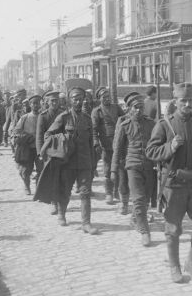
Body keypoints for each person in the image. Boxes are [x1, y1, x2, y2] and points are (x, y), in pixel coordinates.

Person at [146, 82, 192, 284]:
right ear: (175, 101)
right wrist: (170, 147)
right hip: (174, 185)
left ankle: (191, 263)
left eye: (190, 100)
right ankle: (174, 266)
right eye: (183, 100)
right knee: (173, 229)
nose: (187, 104)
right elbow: (150, 152)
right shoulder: (164, 125)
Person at [44, 87, 99, 235]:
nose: (78, 101)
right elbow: (48, 135)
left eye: (81, 98)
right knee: (65, 190)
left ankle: (86, 223)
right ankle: (62, 213)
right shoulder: (63, 117)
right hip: (68, 162)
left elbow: (91, 143)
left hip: (85, 162)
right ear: (70, 100)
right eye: (75, 98)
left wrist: (93, 165)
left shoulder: (88, 119)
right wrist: (63, 139)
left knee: (85, 193)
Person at [112, 93, 157, 247]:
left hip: (149, 165)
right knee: (137, 198)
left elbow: (157, 144)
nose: (138, 110)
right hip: (132, 166)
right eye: (135, 108)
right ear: (129, 109)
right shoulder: (125, 125)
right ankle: (145, 231)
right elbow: (117, 150)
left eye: (141, 108)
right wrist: (113, 170)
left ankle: (135, 218)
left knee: (145, 198)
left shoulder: (151, 124)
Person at [91, 86, 125, 204]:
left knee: (120, 168)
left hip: (119, 143)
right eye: (104, 97)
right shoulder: (97, 111)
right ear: (99, 99)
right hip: (106, 145)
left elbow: (125, 119)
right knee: (107, 169)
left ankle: (116, 191)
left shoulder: (116, 107)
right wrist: (96, 143)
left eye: (108, 96)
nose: (107, 99)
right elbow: (94, 130)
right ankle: (109, 193)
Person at [36, 90, 63, 215]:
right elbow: (39, 136)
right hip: (49, 151)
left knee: (62, 177)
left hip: (62, 150)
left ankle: (61, 201)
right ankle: (54, 202)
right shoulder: (43, 116)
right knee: (52, 177)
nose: (54, 103)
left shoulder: (63, 114)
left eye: (56, 100)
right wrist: (40, 152)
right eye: (52, 101)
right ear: (47, 102)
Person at [14, 94, 42, 194]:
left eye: (37, 103)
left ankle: (39, 189)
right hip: (27, 149)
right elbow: (16, 131)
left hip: (40, 149)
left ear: (40, 104)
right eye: (33, 103)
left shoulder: (43, 116)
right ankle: (27, 186)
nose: (36, 105)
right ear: (30, 105)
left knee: (41, 170)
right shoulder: (24, 118)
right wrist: (28, 137)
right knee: (25, 170)